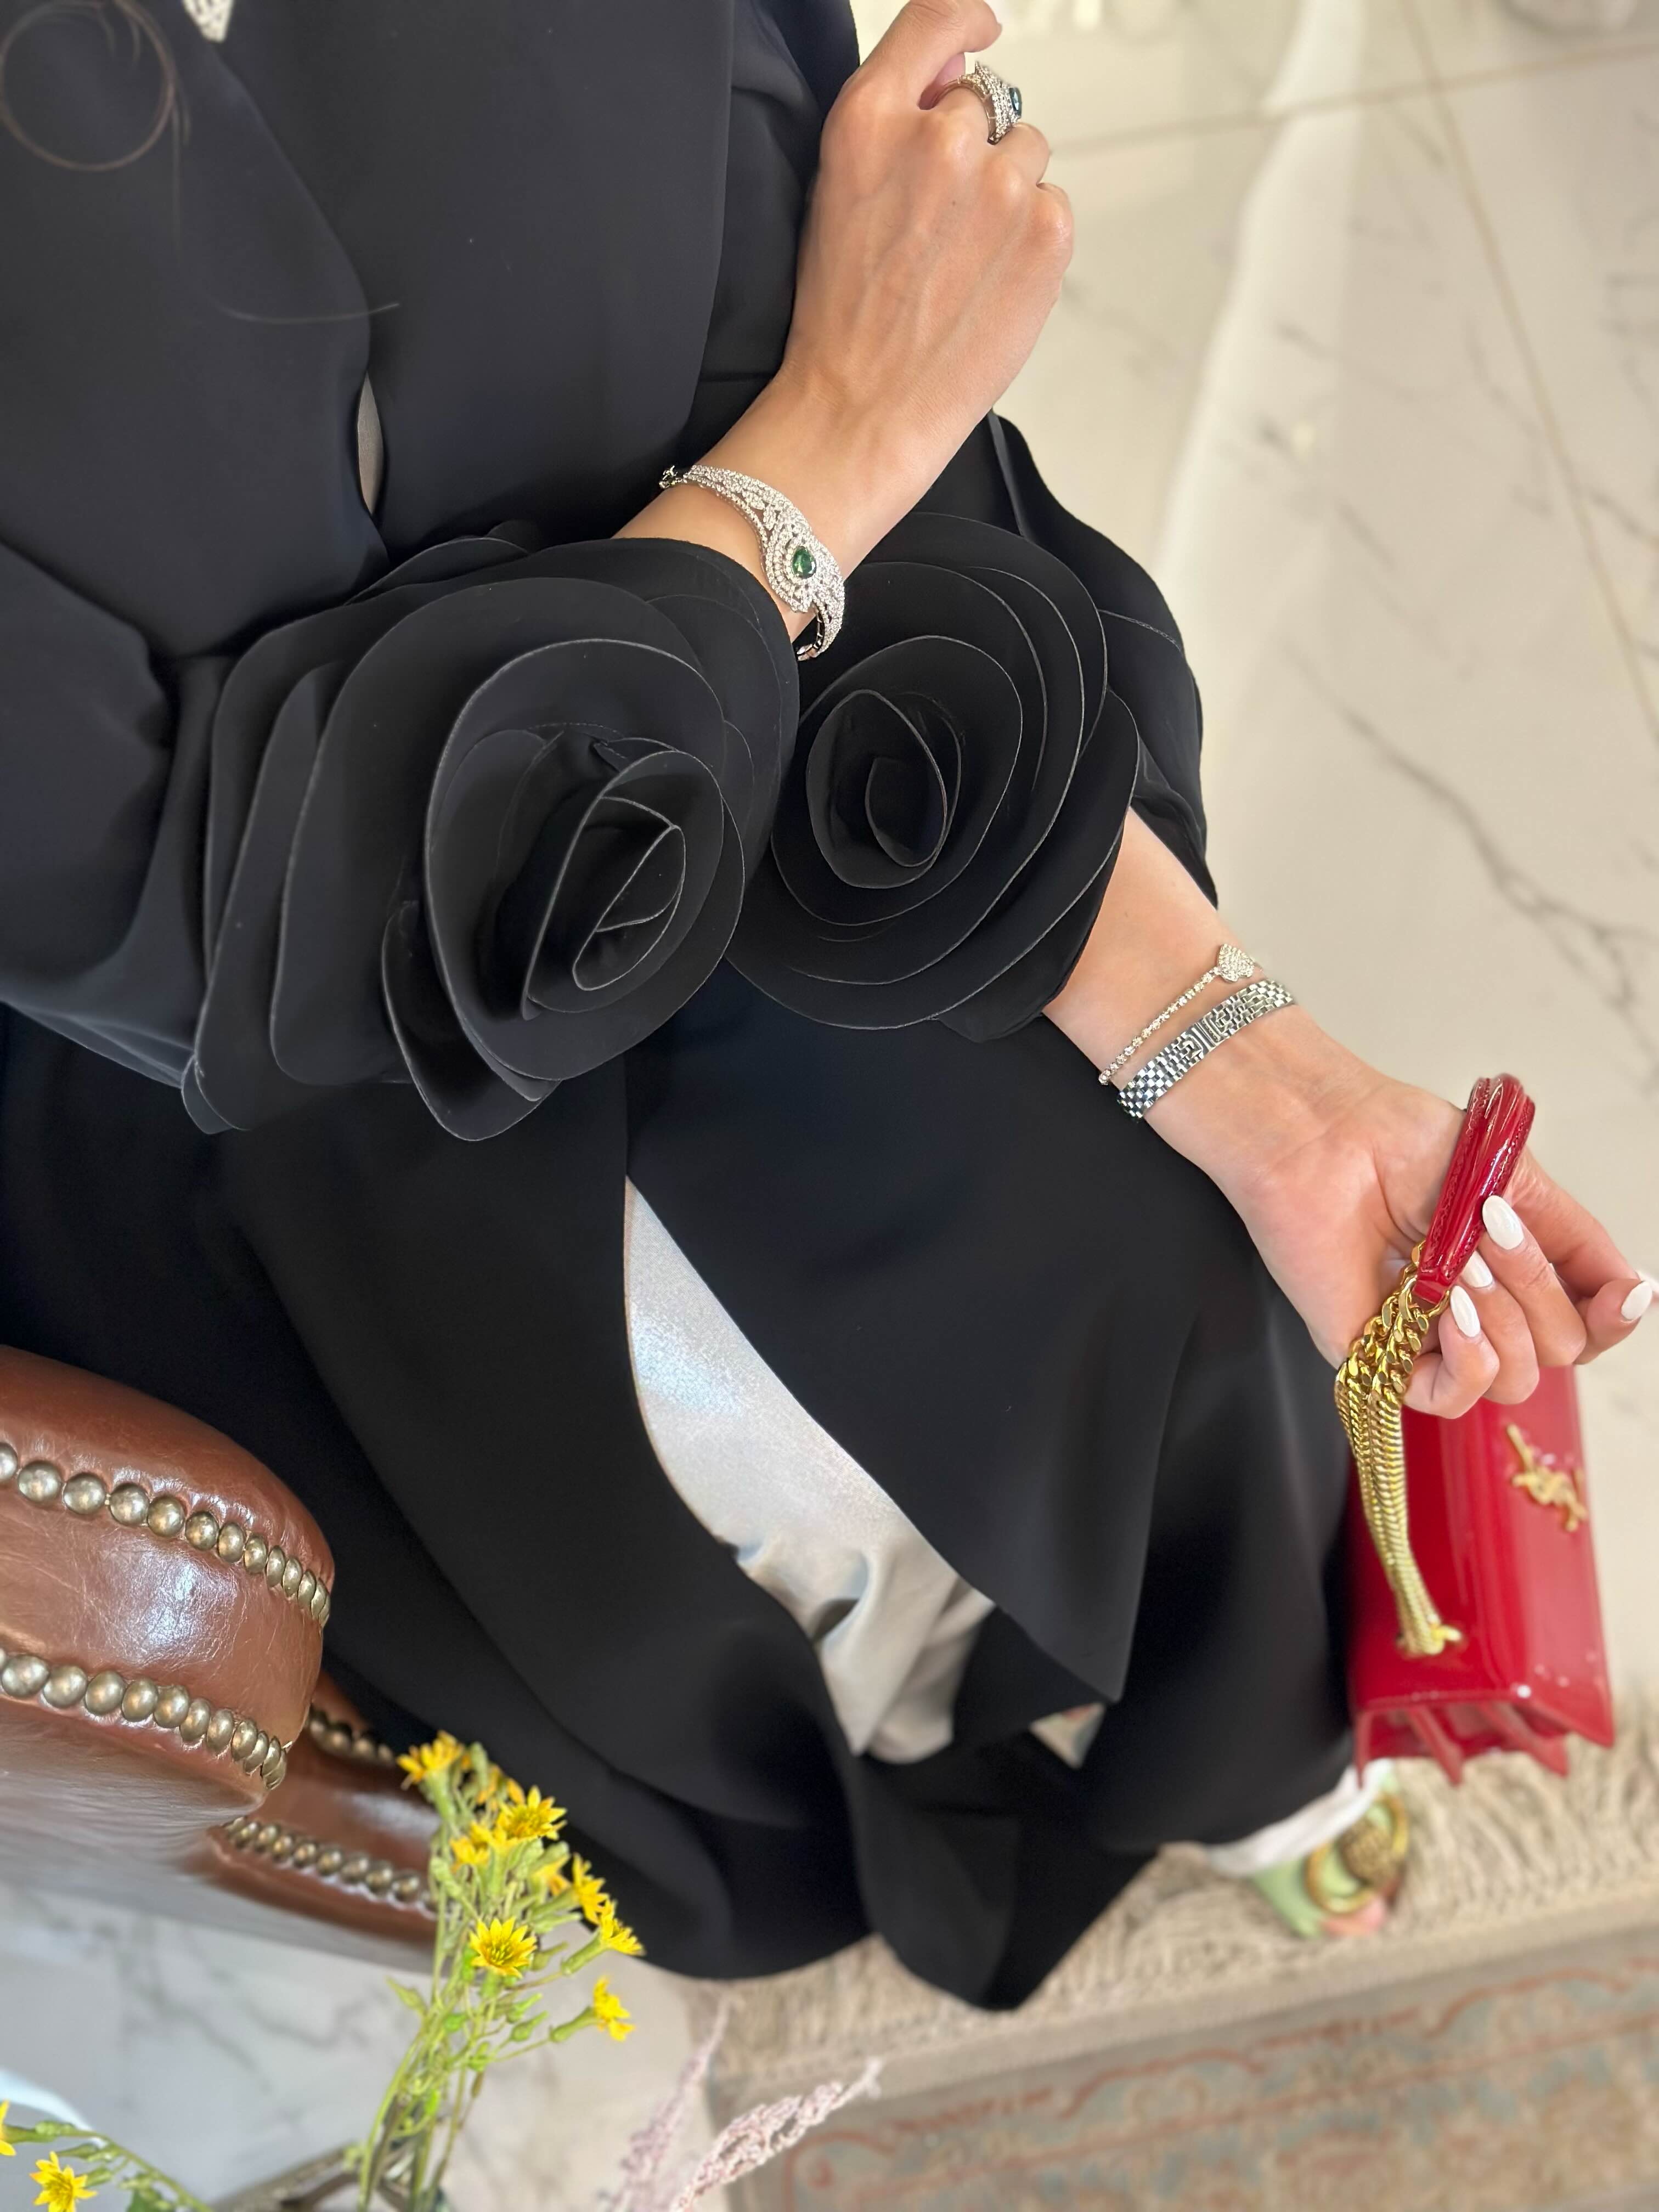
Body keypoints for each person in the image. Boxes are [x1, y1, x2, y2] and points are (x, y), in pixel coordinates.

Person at [0, 0, 1646, 2007]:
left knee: (1171, 1259)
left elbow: (791, 276)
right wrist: (833, 441)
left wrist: (1240, 1057)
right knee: (662, 1517)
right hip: (287, 1084)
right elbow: (216, 926)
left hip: (762, 674)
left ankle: (1254, 1759)